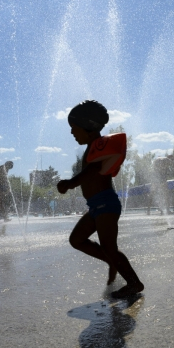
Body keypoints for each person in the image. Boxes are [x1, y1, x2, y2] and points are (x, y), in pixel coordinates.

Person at [57, 100, 144, 299]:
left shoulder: (96, 146)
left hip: (106, 203)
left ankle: (134, 282)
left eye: (74, 128)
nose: (72, 133)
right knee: (76, 240)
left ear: (88, 127)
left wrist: (70, 183)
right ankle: (110, 260)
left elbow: (94, 170)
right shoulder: (92, 147)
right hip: (96, 206)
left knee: (109, 247)